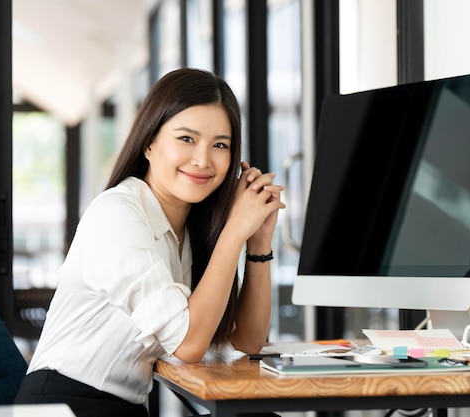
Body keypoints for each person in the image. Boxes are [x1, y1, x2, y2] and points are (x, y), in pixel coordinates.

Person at [14, 68, 285, 417]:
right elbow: (188, 344)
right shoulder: (118, 214)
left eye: (220, 145)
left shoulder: (189, 234)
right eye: (186, 139)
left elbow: (246, 342)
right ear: (149, 143)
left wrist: (258, 242)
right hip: (63, 405)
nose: (203, 159)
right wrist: (234, 231)